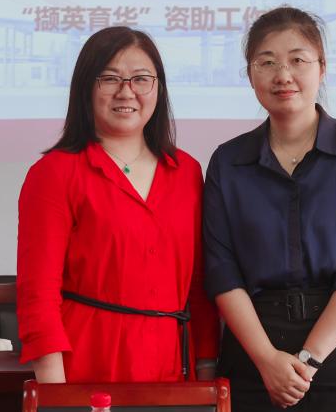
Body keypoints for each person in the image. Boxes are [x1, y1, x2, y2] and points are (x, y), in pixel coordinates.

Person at [204, 7, 336, 411]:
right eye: (267, 62)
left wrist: (307, 361)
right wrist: (267, 361)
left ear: (322, 68)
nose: (283, 75)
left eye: (297, 60)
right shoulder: (228, 162)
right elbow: (221, 271)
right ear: (250, 74)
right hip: (253, 360)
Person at [17, 26, 219, 383]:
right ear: (85, 87)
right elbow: (38, 293)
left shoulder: (187, 171)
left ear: (158, 89)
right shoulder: (54, 173)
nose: (127, 92)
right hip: (88, 361)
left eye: (141, 79)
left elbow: (199, 286)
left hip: (172, 363)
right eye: (110, 79)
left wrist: (206, 365)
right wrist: (54, 394)